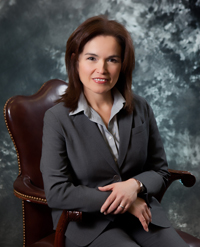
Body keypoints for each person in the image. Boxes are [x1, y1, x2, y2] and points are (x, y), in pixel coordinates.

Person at [40, 15, 189, 247]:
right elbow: (58, 192)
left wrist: (134, 186)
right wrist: (126, 201)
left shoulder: (141, 108)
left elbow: (159, 171)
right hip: (89, 224)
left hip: (144, 217)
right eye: (91, 58)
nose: (102, 69)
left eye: (112, 60)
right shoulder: (57, 118)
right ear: (75, 60)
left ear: (123, 64)